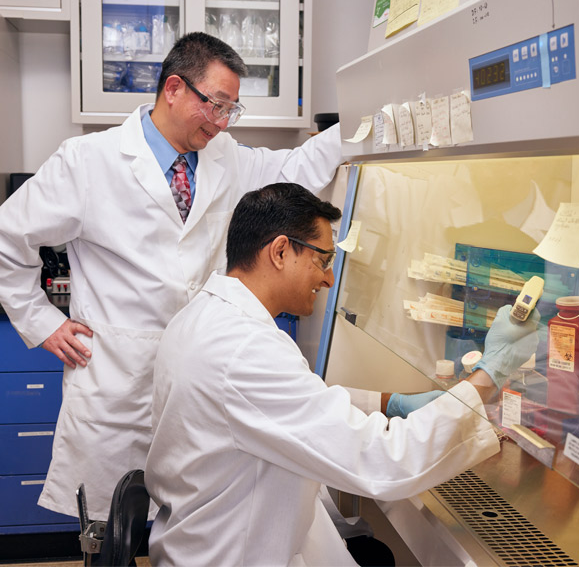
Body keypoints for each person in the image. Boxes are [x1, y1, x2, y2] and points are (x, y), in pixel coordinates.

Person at [0, 33, 343, 520]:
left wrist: (359, 123)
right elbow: (6, 236)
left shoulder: (226, 159)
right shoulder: (88, 160)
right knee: (113, 530)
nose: (220, 121)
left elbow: (295, 169)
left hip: (197, 375)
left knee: (185, 523)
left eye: (230, 110)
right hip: (116, 382)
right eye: (214, 104)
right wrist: (41, 322)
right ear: (173, 88)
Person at [145, 182, 540, 566]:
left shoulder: (205, 317)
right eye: (323, 259)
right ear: (280, 251)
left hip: (206, 538)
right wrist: (492, 371)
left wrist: (390, 403)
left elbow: (281, 403)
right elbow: (383, 460)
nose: (329, 278)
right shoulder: (245, 348)